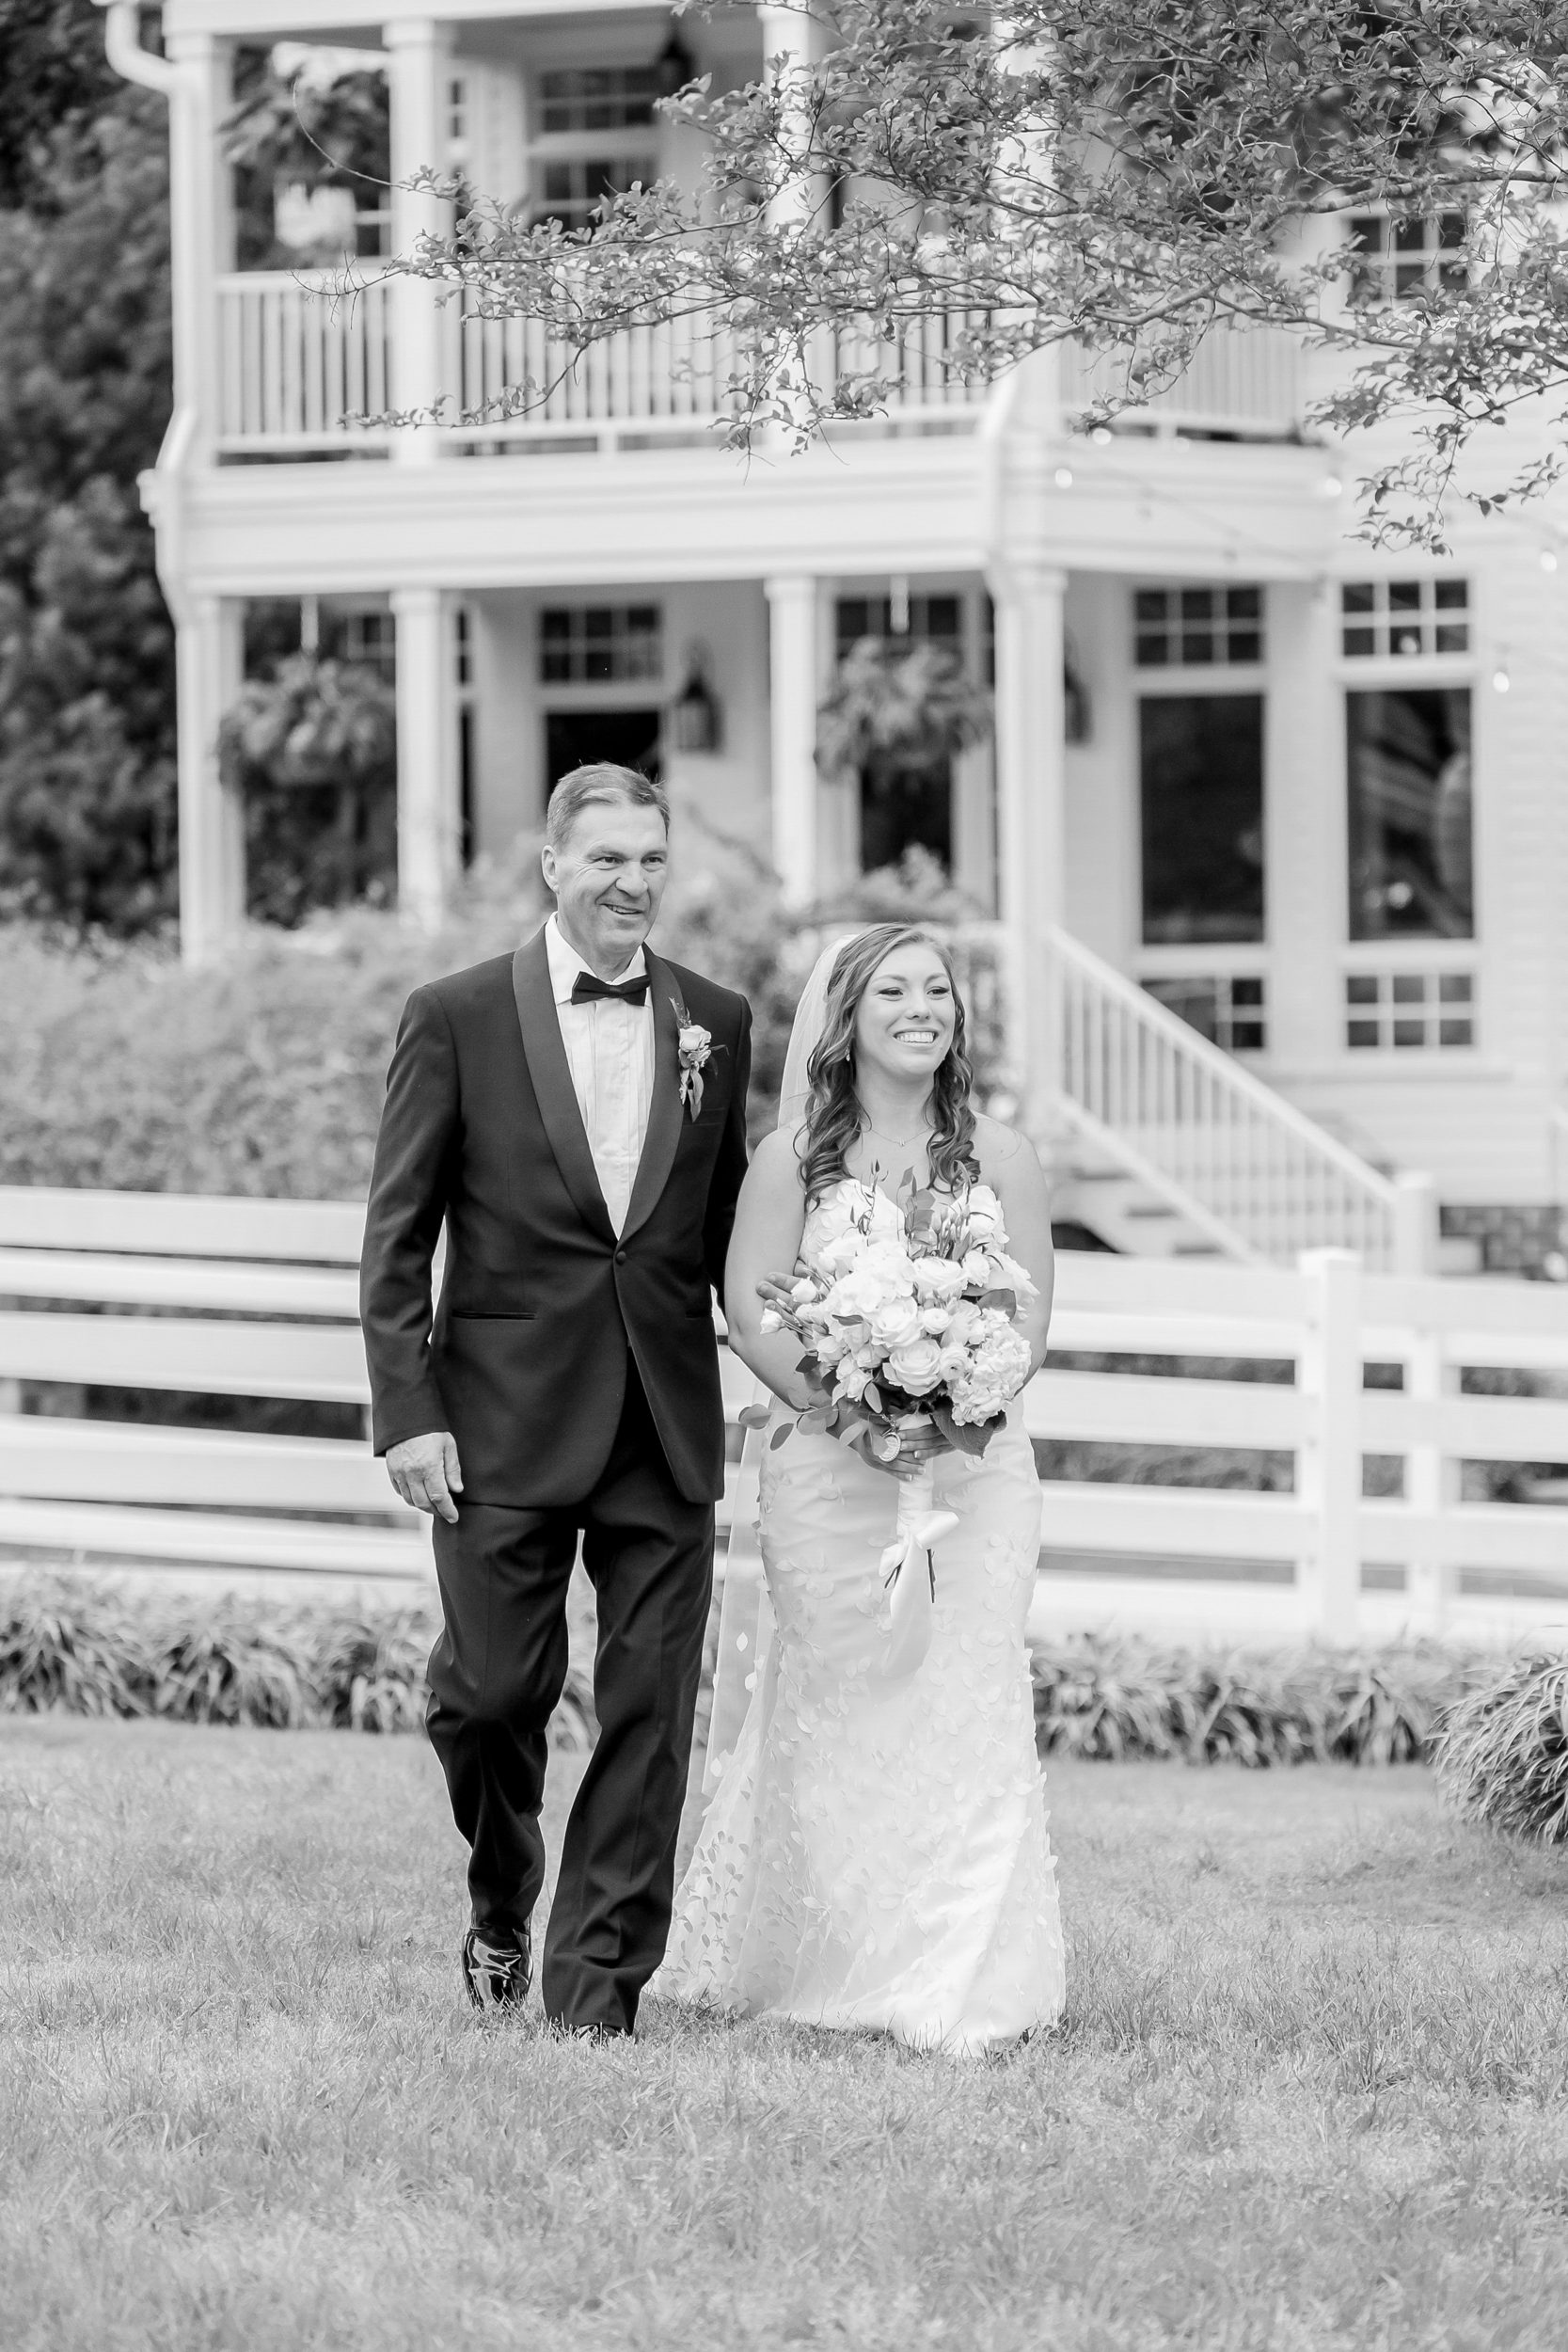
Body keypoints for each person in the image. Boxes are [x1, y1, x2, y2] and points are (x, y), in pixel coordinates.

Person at [358, 764, 752, 2035]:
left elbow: (729, 1225)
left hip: (661, 1417)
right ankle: (498, 1899)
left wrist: (806, 1350)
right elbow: (395, 1236)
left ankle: (594, 1998)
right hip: (495, 1421)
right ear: (551, 868)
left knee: (649, 1712)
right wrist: (407, 1410)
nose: (631, 883)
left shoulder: (717, 1022)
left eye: (649, 859)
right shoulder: (454, 1014)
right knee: (486, 1698)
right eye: (605, 861)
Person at [651, 923, 1065, 2053]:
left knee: (965, 1688)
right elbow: (750, 1306)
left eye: (936, 989)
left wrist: (957, 1401)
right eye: (893, 989)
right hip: (830, 1477)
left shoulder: (1005, 1158)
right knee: (841, 1689)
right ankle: (839, 1950)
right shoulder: (793, 1159)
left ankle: (966, 1971)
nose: (920, 1006)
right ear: (848, 1015)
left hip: (977, 1478)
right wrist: (860, 1416)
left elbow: (1026, 1319)